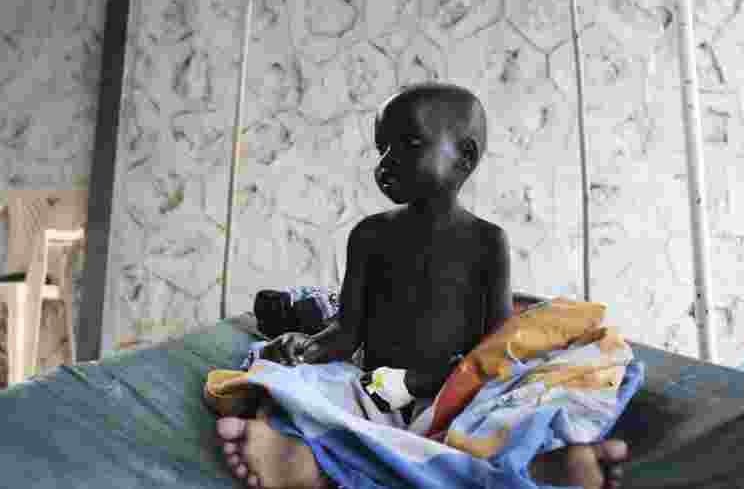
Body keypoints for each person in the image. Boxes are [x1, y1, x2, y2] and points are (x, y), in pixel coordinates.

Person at [215, 82, 630, 489]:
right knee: (288, 386)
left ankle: (541, 468)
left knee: (514, 413)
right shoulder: (369, 235)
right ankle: (303, 462)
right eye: (382, 149)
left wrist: (423, 382)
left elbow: (497, 349)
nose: (386, 162)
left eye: (409, 144)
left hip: (456, 394)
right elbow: (346, 332)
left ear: (464, 156)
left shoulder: (487, 242)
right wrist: (307, 349)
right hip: (374, 391)